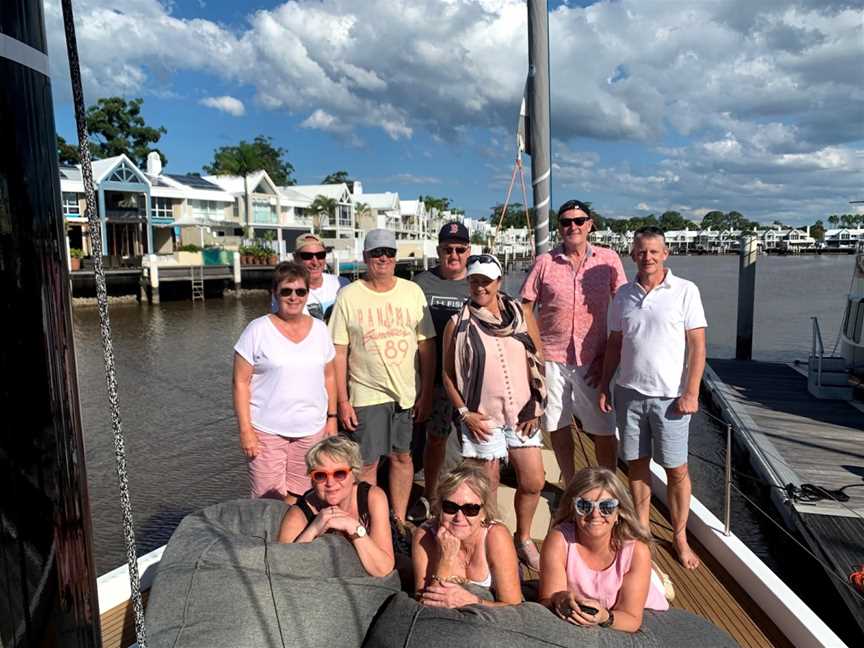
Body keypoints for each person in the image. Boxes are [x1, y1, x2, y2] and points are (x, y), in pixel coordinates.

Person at [598, 226, 707, 569]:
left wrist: (692, 391)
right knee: (637, 465)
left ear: (666, 254)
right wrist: (604, 385)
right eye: (641, 252)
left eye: (654, 252)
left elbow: (698, 345)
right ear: (633, 255)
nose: (647, 257)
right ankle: (642, 527)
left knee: (677, 469)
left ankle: (679, 536)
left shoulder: (685, 291)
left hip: (671, 399)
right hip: (629, 392)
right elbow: (615, 344)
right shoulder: (624, 295)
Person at [442, 253, 547, 570]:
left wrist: (538, 406)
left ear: (499, 281)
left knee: (533, 481)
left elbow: (538, 357)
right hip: (482, 417)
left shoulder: (519, 313)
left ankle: (523, 537)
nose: (480, 287)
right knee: (485, 489)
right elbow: (448, 375)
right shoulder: (457, 323)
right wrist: (464, 413)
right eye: (474, 280)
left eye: (486, 281)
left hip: (521, 414)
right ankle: (487, 541)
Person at [329, 228, 436, 522]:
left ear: (395, 257)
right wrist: (342, 401)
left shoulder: (412, 291)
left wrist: (425, 393)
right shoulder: (348, 296)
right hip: (365, 393)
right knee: (366, 464)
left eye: (389, 252)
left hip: (406, 394)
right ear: (365, 257)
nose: (383, 258)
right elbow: (338, 351)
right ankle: (370, 521)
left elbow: (427, 345)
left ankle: (398, 521)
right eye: (377, 253)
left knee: (402, 458)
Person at [521, 199, 626, 479]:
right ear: (559, 228)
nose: (573, 226)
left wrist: (611, 355)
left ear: (590, 225)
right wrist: (537, 350)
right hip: (552, 359)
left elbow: (624, 305)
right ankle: (569, 483)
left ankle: (608, 485)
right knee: (557, 424)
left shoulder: (609, 260)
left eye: (579, 221)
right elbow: (525, 307)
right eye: (566, 222)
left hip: (594, 359)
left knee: (604, 427)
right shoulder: (545, 262)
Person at [233, 262, 337, 503]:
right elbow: (240, 382)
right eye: (286, 291)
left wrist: (332, 419)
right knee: (268, 499)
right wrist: (245, 430)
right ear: (274, 293)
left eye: (300, 291)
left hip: (312, 430)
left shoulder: (320, 330)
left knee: (303, 496)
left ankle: (292, 539)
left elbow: (329, 375)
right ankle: (268, 539)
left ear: (307, 294)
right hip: (266, 431)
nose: (294, 297)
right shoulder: (257, 330)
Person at [539, 466, 669, 632]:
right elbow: (545, 600)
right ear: (573, 508)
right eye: (584, 505)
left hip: (641, 612)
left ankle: (656, 579)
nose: (595, 514)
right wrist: (557, 598)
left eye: (606, 507)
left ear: (618, 513)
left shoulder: (637, 552)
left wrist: (605, 617)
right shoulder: (558, 540)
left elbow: (632, 618)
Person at [411, 221, 472, 512]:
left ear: (468, 251)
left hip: (469, 381)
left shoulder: (477, 282)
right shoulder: (421, 283)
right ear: (439, 250)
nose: (454, 254)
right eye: (448, 249)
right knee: (436, 440)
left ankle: (469, 496)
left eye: (460, 249)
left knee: (473, 444)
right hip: (434, 378)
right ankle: (432, 496)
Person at [278, 436, 394, 577]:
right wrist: (313, 529)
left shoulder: (372, 497)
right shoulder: (299, 513)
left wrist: (353, 527)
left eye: (340, 474)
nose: (330, 483)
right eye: (320, 476)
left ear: (354, 474)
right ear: (312, 480)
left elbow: (383, 569)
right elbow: (282, 570)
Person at [412, 464, 521, 607]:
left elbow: (513, 606)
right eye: (450, 507)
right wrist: (445, 559)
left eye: (470, 509)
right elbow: (423, 603)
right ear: (439, 508)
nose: (459, 517)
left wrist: (473, 601)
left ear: (484, 512)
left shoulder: (496, 536)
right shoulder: (424, 536)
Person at [287, 232, 347, 321]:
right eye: (307, 256)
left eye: (320, 255)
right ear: (296, 258)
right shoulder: (286, 292)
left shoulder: (342, 284)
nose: (315, 262)